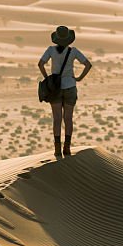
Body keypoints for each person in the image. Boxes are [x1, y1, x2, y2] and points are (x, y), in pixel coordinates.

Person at [38, 25, 92, 157]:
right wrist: (79, 78)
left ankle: (57, 149)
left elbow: (40, 64)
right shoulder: (73, 51)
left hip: (55, 89)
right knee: (68, 118)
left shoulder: (50, 50)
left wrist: (47, 78)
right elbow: (88, 64)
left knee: (56, 119)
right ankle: (66, 148)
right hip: (70, 86)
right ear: (69, 39)